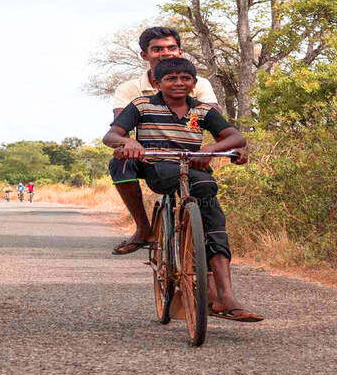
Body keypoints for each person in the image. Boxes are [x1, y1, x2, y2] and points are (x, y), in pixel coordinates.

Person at [103, 57, 262, 322]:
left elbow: (236, 136)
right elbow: (111, 136)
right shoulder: (142, 105)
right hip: (157, 167)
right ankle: (148, 231)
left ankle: (227, 297)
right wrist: (128, 143)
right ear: (157, 83)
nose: (179, 83)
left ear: (193, 83)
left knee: (214, 217)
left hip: (195, 171)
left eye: (185, 78)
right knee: (126, 166)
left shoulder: (201, 110)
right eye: (171, 78)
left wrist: (210, 149)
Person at [109, 26, 220, 255]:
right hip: (147, 155)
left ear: (180, 51)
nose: (166, 53)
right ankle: (143, 228)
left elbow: (213, 117)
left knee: (206, 201)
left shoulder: (199, 84)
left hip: (187, 155)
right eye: (157, 49)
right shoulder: (129, 89)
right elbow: (119, 129)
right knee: (119, 164)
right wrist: (127, 144)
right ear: (145, 55)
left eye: (171, 47)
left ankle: (207, 253)